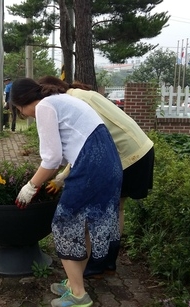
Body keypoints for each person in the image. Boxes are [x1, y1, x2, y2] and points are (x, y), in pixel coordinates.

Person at [10, 78, 123, 307]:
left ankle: (79, 294)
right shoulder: (62, 100)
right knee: (86, 224)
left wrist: (30, 187)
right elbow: (63, 152)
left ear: (24, 101)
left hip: (90, 167)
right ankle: (75, 282)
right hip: (108, 164)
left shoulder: (44, 106)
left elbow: (51, 159)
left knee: (64, 225)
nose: (26, 115)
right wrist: (56, 176)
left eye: (21, 110)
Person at [38, 75, 155, 278]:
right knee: (116, 209)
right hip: (140, 149)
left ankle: (97, 263)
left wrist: (61, 178)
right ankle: (107, 263)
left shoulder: (74, 101)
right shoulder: (80, 95)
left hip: (126, 155)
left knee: (100, 211)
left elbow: (88, 144)